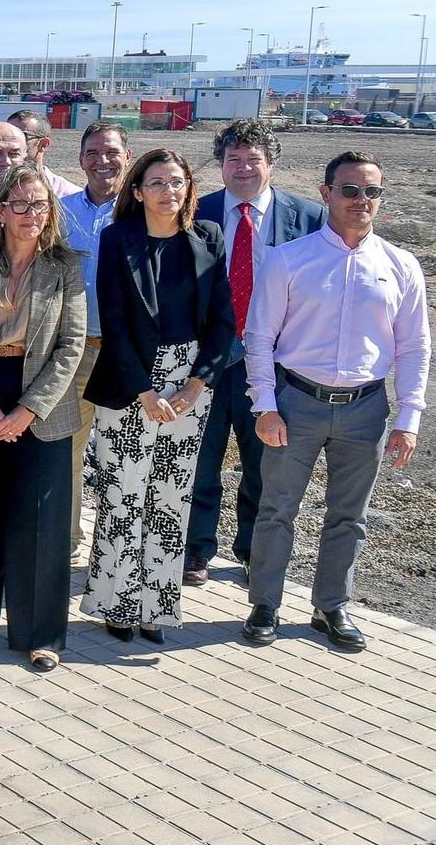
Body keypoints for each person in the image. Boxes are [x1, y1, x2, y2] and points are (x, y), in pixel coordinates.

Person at [243, 152, 428, 652]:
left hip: (365, 409)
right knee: (277, 509)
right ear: (326, 194)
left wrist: (408, 417)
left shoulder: (400, 264)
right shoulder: (290, 259)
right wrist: (265, 405)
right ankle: (265, 604)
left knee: (349, 514)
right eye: (350, 190)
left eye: (371, 192)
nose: (361, 201)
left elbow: (413, 346)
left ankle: (331, 607)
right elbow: (259, 337)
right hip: (296, 401)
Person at [80, 149, 233, 644]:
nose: (169, 190)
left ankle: (157, 609)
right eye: (158, 182)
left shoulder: (207, 237)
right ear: (139, 190)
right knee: (123, 496)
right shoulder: (117, 239)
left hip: (191, 383)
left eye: (178, 181)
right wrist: (145, 391)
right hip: (131, 383)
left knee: (170, 499)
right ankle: (117, 603)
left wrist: (196, 383)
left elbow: (223, 320)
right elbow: (117, 322)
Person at [0, 166, 87, 671]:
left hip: (44, 405)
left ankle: (40, 635)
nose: (31, 215)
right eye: (20, 205)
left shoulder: (66, 265)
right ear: (1, 209)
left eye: (40, 206)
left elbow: (71, 344)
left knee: (41, 522)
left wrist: (29, 408)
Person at [186, 120, 325, 585]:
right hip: (207, 360)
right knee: (200, 459)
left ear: (271, 163)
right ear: (221, 164)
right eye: (233, 160)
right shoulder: (195, 212)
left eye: (253, 160)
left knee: (264, 462)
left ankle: (252, 551)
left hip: (276, 363)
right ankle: (195, 551)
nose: (243, 168)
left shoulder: (308, 218)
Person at [58, 122, 132, 562]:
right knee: (67, 452)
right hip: (74, 351)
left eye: (111, 152)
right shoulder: (60, 211)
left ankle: (115, 552)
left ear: (128, 155)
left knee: (122, 459)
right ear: (81, 157)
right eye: (92, 152)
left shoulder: (144, 211)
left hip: (126, 356)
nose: (102, 160)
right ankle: (65, 541)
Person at [9, 110, 83, 198]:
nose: (11, 143)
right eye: (7, 136)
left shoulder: (67, 196)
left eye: (22, 136)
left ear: (43, 144)